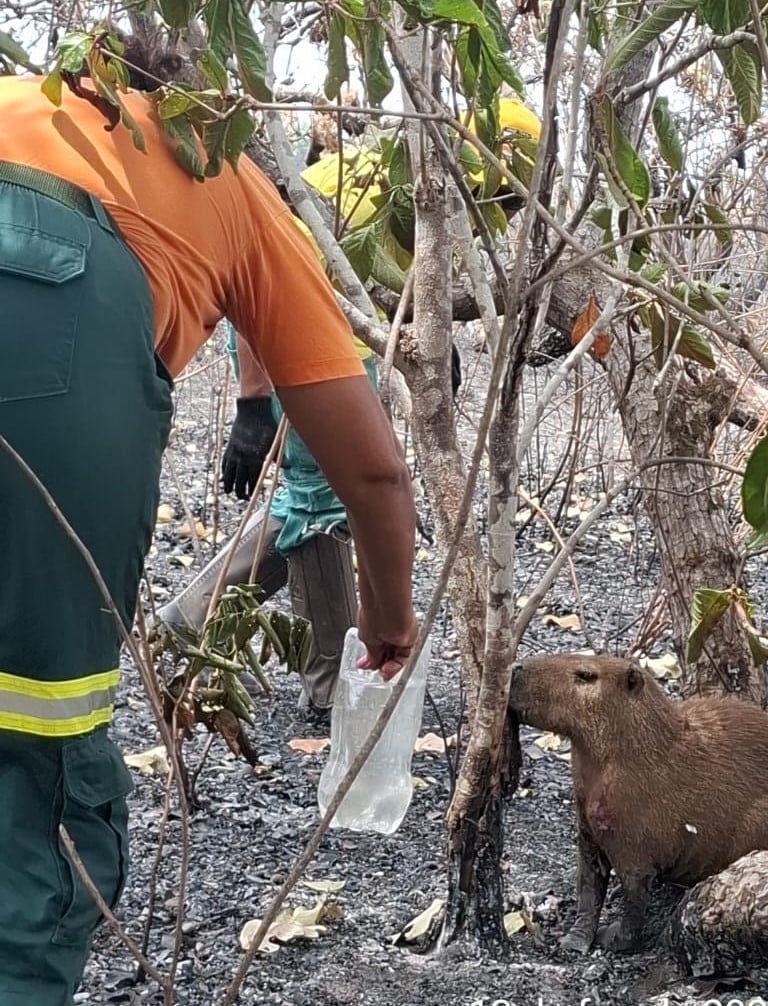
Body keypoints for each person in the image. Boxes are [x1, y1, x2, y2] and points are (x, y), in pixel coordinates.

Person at [0, 44, 418, 1006]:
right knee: (36, 753)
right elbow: (376, 470)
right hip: (55, 328)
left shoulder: (35, 102)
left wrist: (252, 404)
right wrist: (387, 624)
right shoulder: (225, 175)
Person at [157, 319, 380, 720]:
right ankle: (329, 689)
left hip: (337, 350)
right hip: (295, 357)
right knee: (320, 493)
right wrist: (254, 401)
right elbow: (251, 293)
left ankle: (188, 620)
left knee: (320, 490)